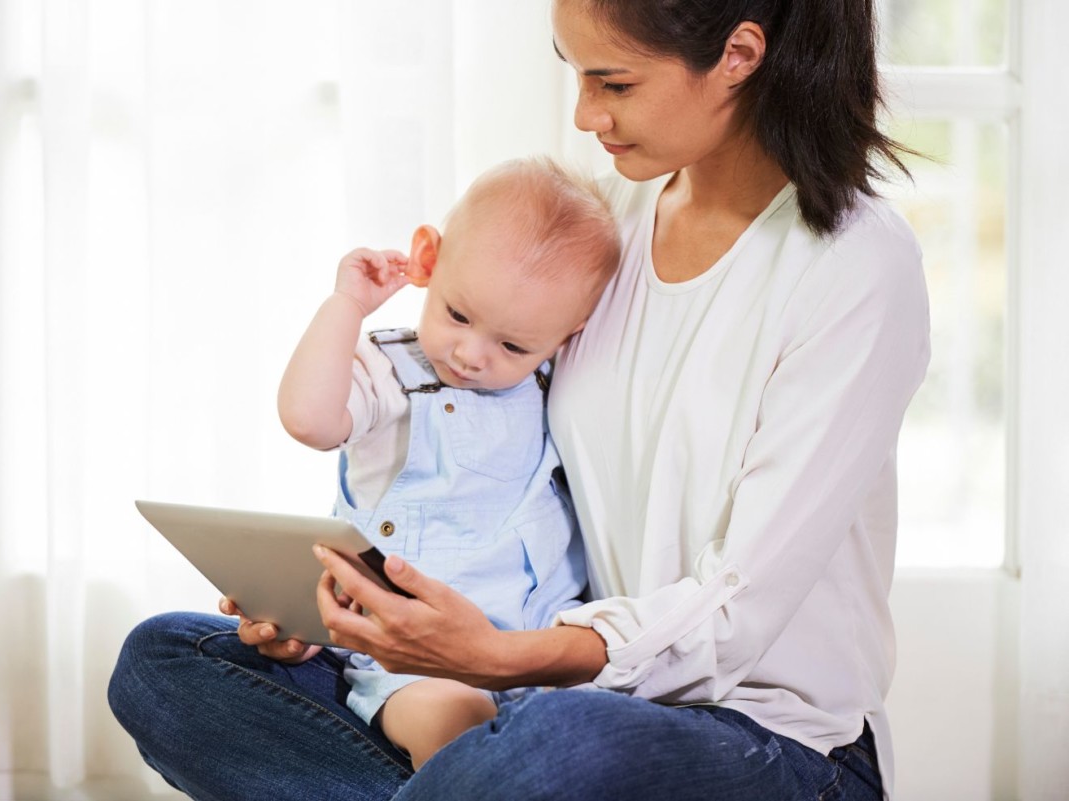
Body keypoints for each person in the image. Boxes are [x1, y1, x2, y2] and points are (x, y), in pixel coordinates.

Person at [108, 0, 931, 798]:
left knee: (553, 750)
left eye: (614, 83)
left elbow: (737, 611)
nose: (584, 116)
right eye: (573, 75)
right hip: (542, 693)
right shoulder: (606, 225)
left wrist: (496, 656)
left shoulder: (853, 265)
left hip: (766, 740)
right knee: (167, 661)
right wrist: (344, 621)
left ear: (739, 56)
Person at [273, 157, 620, 769]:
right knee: (454, 719)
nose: (471, 354)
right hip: (414, 668)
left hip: (542, 659)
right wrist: (347, 305)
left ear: (570, 335)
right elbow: (309, 419)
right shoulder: (391, 375)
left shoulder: (552, 383)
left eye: (513, 345)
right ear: (428, 262)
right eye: (459, 315)